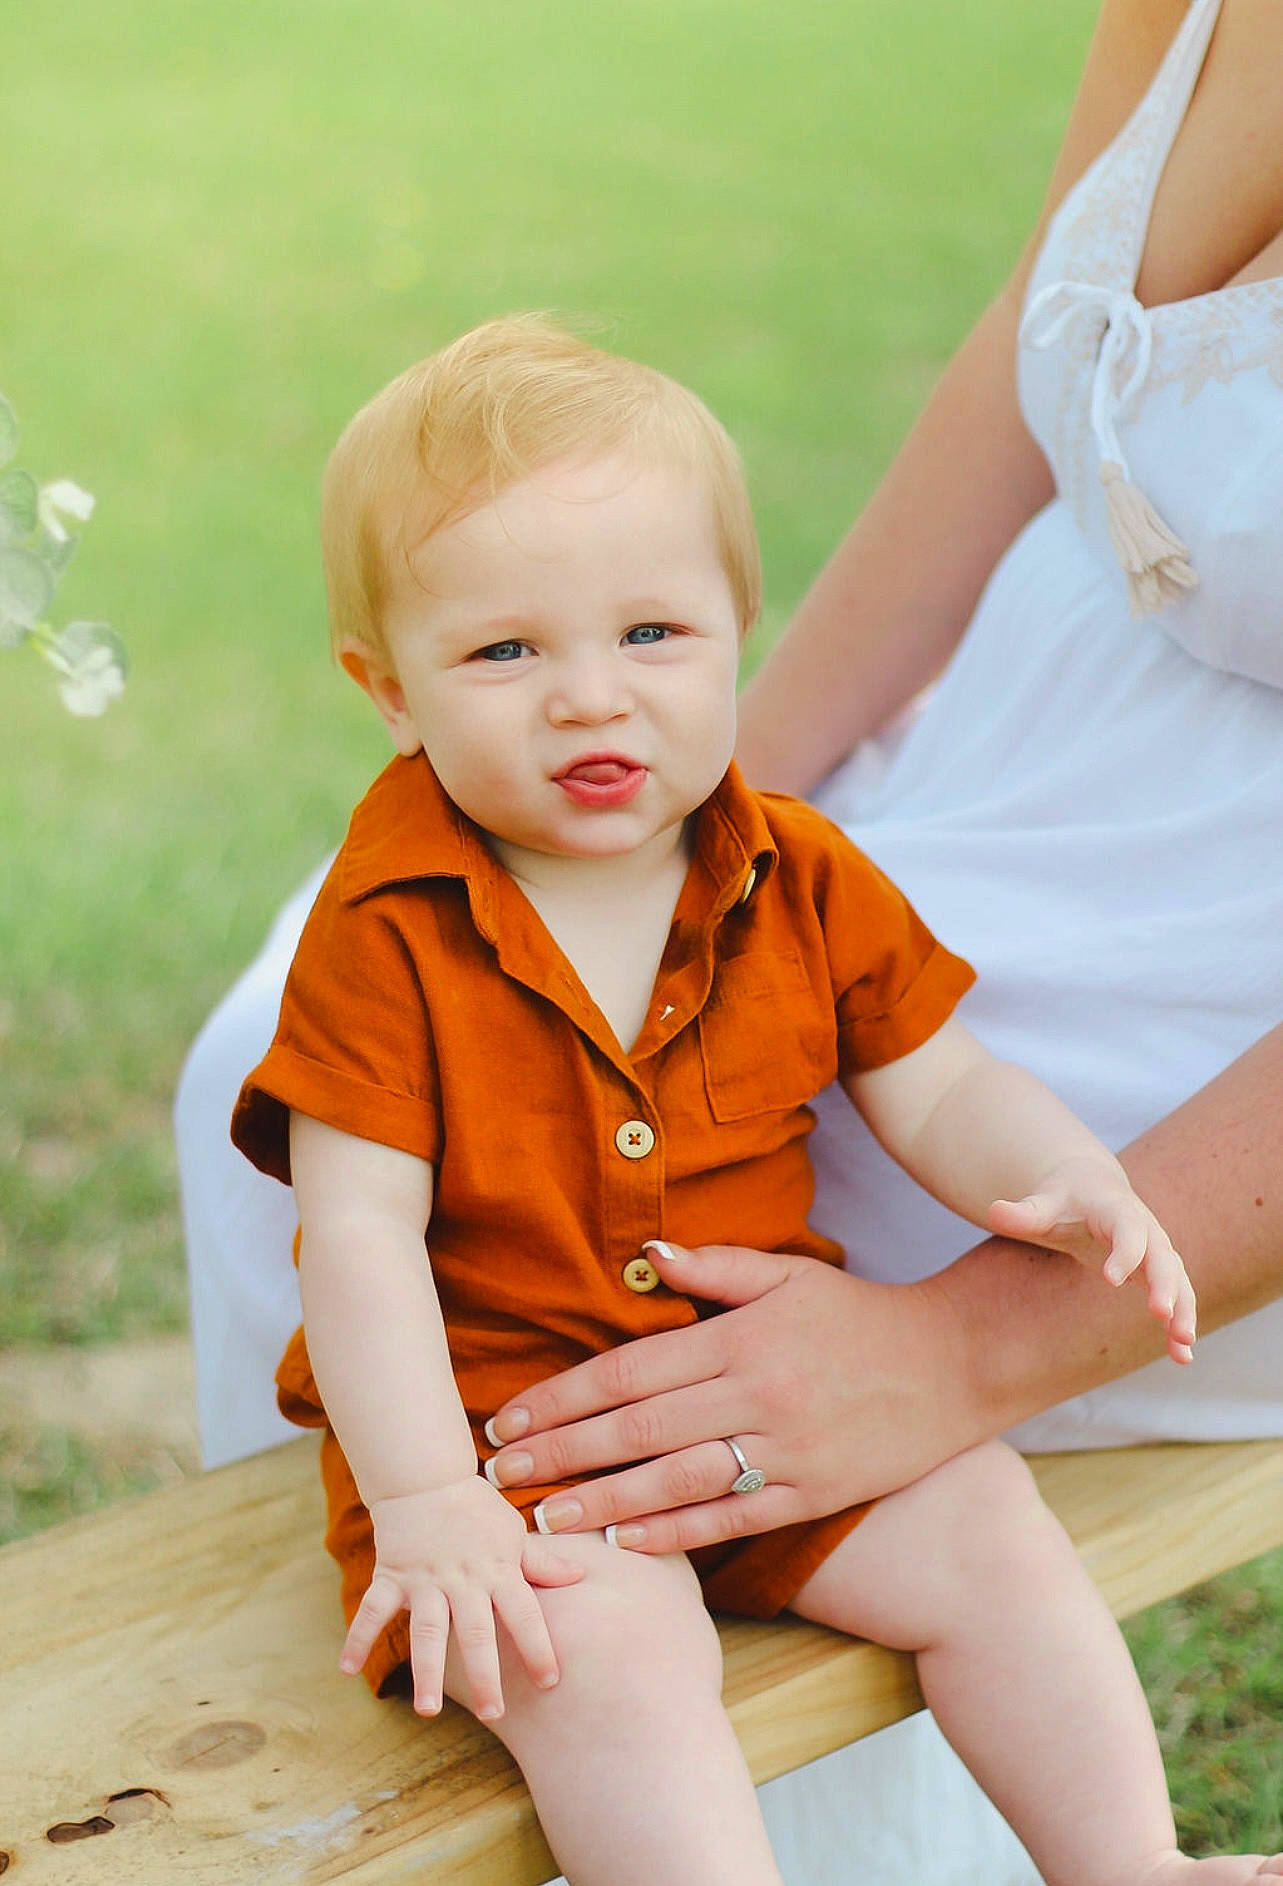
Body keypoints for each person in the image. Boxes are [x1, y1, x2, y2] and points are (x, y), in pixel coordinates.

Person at [176, 0, 1283, 1877]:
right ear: (387, 691)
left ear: (725, 623)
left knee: (984, 1531)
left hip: (751, 1373)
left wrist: (1075, 1184)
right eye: (506, 655)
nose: (589, 702)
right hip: (529, 1460)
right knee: (607, 1658)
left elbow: (938, 1083)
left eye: (654, 640)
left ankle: (1132, 1868)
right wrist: (436, 1498)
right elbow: (354, 1237)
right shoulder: (403, 922)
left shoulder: (789, 872)